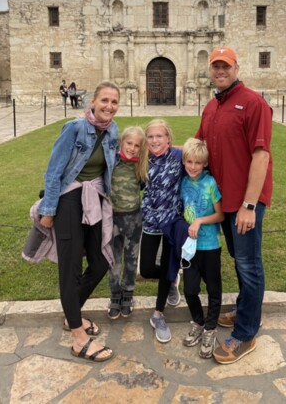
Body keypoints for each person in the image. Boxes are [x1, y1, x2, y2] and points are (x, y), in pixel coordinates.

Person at [196, 46, 273, 365]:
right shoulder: (212, 107)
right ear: (210, 70)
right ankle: (246, 309)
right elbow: (197, 147)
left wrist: (249, 206)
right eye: (215, 66)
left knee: (248, 264)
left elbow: (261, 156)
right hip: (224, 201)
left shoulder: (253, 103)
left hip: (245, 202)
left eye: (225, 66)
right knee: (240, 260)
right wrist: (157, 148)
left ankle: (245, 334)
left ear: (236, 68)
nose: (220, 71)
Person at [38, 81, 120, 362]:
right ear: (93, 102)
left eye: (114, 102)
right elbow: (53, 171)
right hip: (69, 200)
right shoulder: (74, 128)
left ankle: (71, 313)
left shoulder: (113, 130)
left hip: (95, 199)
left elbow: (115, 164)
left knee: (100, 262)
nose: (109, 106)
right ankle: (77, 337)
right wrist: (49, 210)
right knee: (71, 267)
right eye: (105, 100)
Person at [139, 119, 184, 343]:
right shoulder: (143, 160)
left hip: (172, 220)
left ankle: (158, 314)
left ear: (168, 138)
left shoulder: (179, 156)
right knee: (147, 269)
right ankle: (172, 278)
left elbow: (201, 156)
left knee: (167, 263)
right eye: (151, 137)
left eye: (159, 136)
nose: (155, 140)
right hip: (150, 220)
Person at [180, 138, 224, 359]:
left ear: (205, 164)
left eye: (198, 162)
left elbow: (220, 214)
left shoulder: (210, 183)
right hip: (190, 247)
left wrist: (199, 222)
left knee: (213, 289)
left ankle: (210, 328)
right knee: (189, 290)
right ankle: (198, 321)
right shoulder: (183, 182)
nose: (193, 166)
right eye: (189, 161)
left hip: (210, 245)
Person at [108, 126, 148, 320]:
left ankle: (128, 294)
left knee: (131, 259)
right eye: (129, 143)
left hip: (133, 218)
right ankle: (115, 294)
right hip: (112, 218)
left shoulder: (141, 166)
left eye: (137, 145)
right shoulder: (111, 162)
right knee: (114, 259)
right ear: (121, 142)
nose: (132, 148)